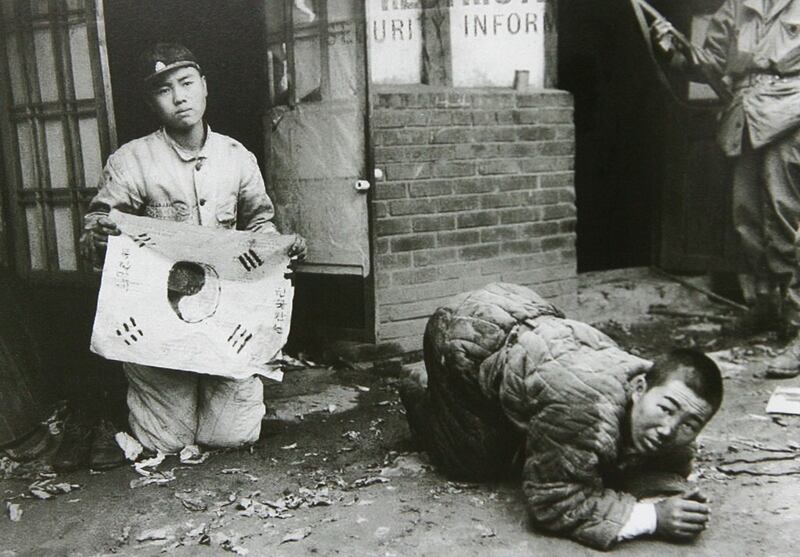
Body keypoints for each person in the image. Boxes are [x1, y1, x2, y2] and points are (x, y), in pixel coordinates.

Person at [80, 43, 306, 454]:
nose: (179, 97)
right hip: (158, 324)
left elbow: (259, 223)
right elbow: (97, 230)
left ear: (204, 86)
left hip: (223, 318)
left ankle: (218, 395)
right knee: (167, 443)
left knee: (232, 436)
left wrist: (280, 247)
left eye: (186, 83)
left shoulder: (237, 157)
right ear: (152, 101)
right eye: (164, 90)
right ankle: (162, 405)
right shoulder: (131, 161)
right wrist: (100, 238)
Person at [399, 283, 723, 551]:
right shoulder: (585, 406)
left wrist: (676, 497)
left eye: (690, 425)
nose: (669, 429)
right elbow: (554, 503)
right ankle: (421, 390)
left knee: (570, 445)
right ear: (639, 387)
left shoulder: (667, 396)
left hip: (531, 316)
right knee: (474, 463)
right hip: (468, 332)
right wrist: (652, 518)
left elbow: (667, 462)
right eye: (666, 410)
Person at [651, 1, 800, 377]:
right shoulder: (737, 5)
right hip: (746, 115)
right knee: (747, 217)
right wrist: (672, 49)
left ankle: (799, 327)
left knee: (788, 221)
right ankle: (768, 306)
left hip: (792, 115)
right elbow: (710, 63)